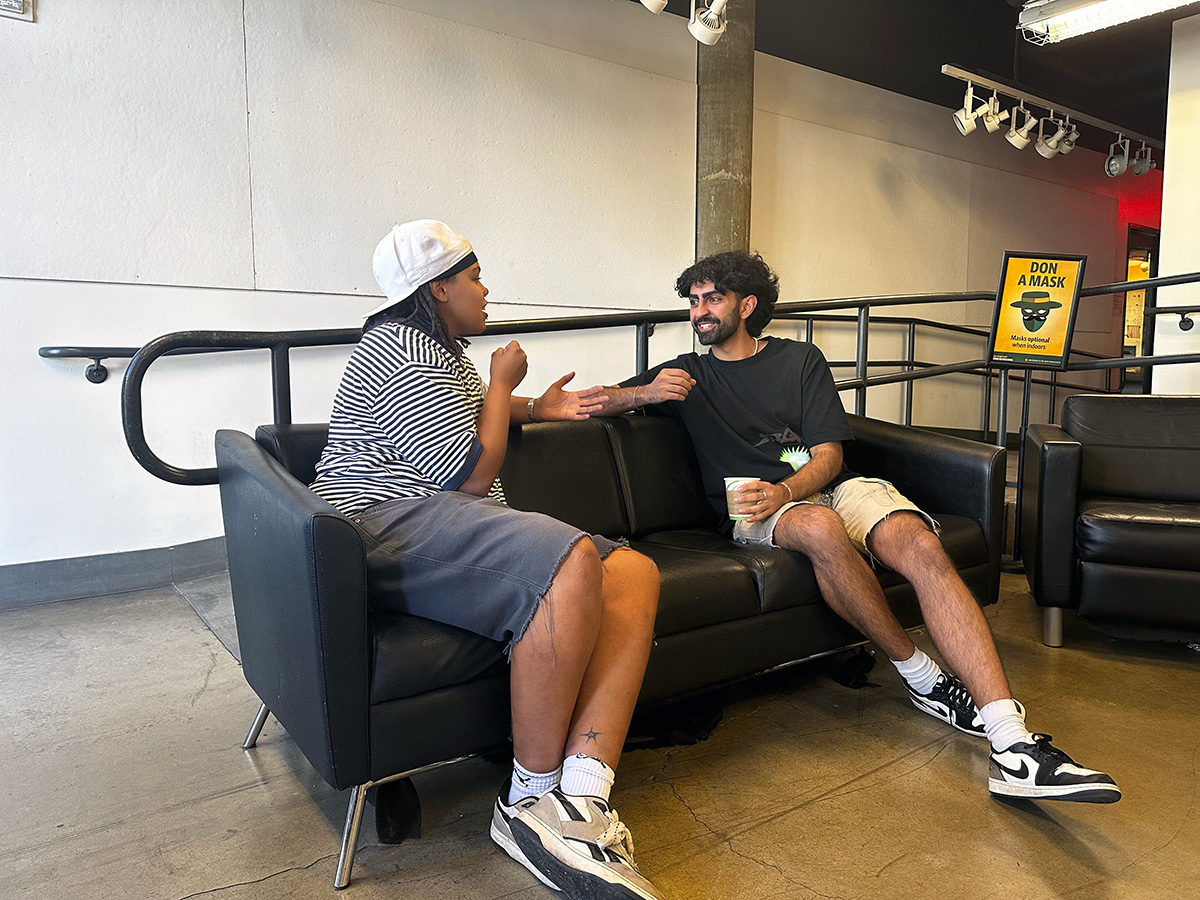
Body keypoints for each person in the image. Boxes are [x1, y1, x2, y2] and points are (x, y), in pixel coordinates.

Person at [595, 249, 1120, 805]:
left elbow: (826, 455)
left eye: (712, 299)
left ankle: (1012, 744)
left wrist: (787, 487)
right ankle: (919, 674)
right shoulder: (686, 375)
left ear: (747, 305)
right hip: (755, 508)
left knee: (920, 545)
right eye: (693, 301)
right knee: (820, 527)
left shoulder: (800, 360)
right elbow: (590, 403)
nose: (699, 311)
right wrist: (642, 393)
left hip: (820, 487)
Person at [310, 220, 668, 900]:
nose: (484, 288)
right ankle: (529, 802)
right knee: (567, 560)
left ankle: (582, 796)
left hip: (438, 518)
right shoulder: (400, 350)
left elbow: (468, 415)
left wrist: (536, 405)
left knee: (632, 570)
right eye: (473, 276)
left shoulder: (438, 349)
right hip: (382, 523)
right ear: (438, 288)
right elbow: (470, 474)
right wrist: (507, 382)